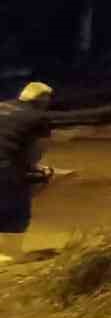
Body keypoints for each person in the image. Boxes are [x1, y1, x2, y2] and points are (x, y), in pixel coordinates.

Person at [0, 82, 54, 265]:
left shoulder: (2, 105)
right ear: (42, 99)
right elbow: (37, 149)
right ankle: (8, 254)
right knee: (15, 209)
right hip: (6, 166)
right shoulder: (37, 118)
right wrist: (34, 168)